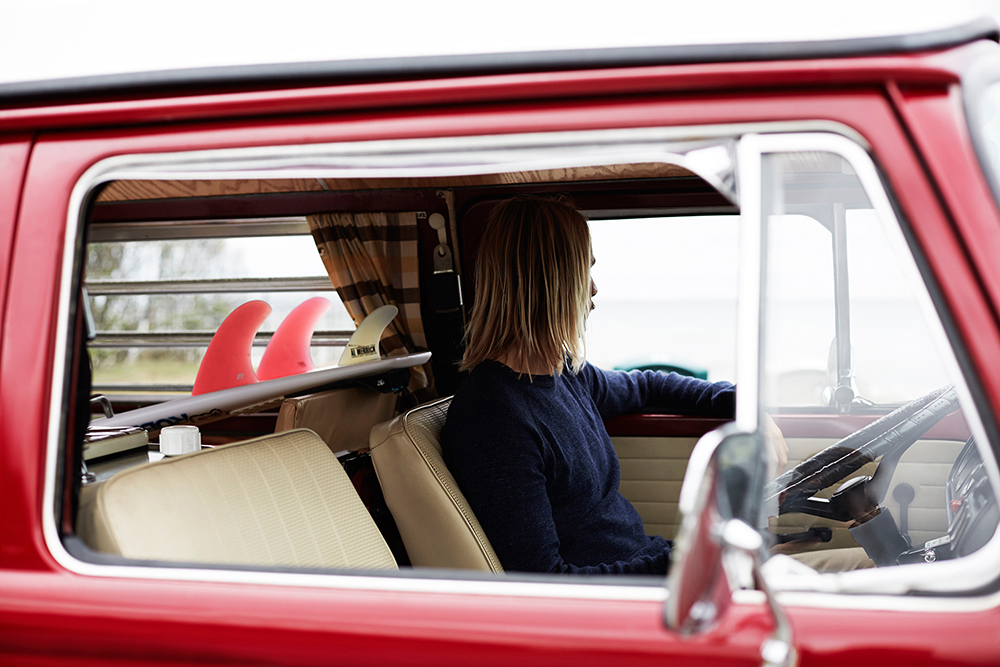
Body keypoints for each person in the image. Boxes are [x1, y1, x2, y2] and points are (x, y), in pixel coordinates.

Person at [441, 196, 785, 575]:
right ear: (550, 283)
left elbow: (649, 386)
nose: (593, 290)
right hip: (627, 599)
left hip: (654, 567)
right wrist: (692, 558)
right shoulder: (494, 416)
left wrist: (745, 404)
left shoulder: (567, 375)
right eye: (583, 273)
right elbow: (545, 580)